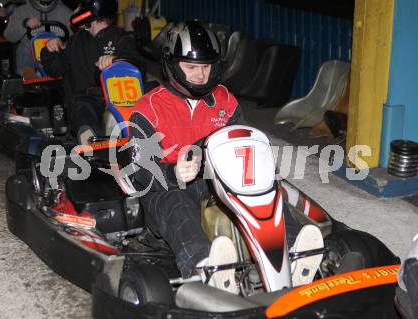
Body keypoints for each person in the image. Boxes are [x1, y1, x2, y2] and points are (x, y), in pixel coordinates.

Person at [129, 21, 324, 293]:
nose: (200, 75)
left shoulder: (224, 99)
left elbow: (245, 139)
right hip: (168, 185)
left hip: (217, 179)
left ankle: (295, 255)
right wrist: (173, 172)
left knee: (268, 190)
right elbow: (138, 167)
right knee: (175, 201)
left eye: (206, 67)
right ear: (173, 65)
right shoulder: (148, 107)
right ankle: (206, 267)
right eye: (191, 67)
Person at [40, 0, 145, 144]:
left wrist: (116, 60)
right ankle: (91, 146)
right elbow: (56, 69)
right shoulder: (77, 40)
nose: (75, 10)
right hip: (87, 100)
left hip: (118, 100)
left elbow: (138, 66)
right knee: (83, 107)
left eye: (79, 7)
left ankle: (135, 142)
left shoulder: (120, 38)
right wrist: (50, 50)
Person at [3, 0, 72, 76]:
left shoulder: (65, 12)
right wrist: (24, 23)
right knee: (25, 47)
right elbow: (9, 36)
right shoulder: (22, 11)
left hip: (57, 57)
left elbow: (76, 40)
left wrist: (64, 44)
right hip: (31, 57)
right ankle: (28, 76)